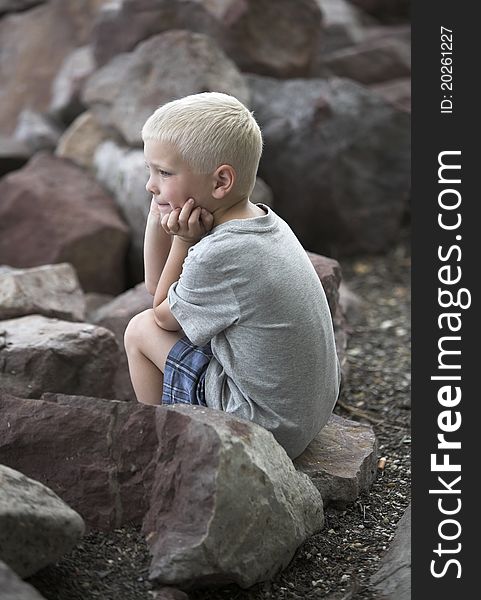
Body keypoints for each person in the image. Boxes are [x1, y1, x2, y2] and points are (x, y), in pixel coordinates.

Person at [124, 92, 341, 459]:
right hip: (303, 412)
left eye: (163, 172)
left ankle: (162, 451)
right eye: (150, 170)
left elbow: (161, 312)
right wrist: (157, 211)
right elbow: (158, 285)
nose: (150, 184)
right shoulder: (260, 219)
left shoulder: (221, 254)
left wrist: (181, 240)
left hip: (262, 429)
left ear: (220, 181)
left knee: (140, 330)